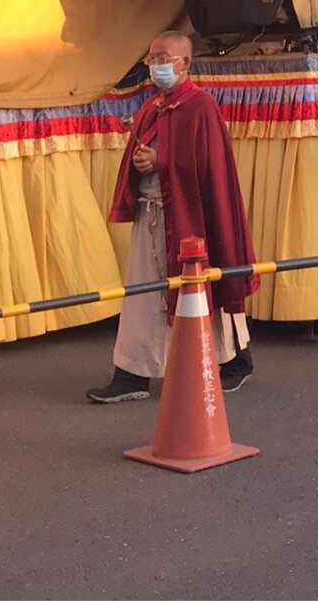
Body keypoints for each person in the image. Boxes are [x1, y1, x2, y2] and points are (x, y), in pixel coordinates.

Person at [89, 31, 257, 402]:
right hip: (151, 214)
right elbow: (146, 152)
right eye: (151, 58)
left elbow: (208, 167)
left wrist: (161, 161)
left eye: (164, 58)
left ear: (185, 63)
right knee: (143, 298)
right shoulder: (152, 107)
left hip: (188, 217)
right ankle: (133, 373)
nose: (156, 65)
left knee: (199, 289)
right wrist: (140, 162)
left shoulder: (202, 106)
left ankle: (231, 362)